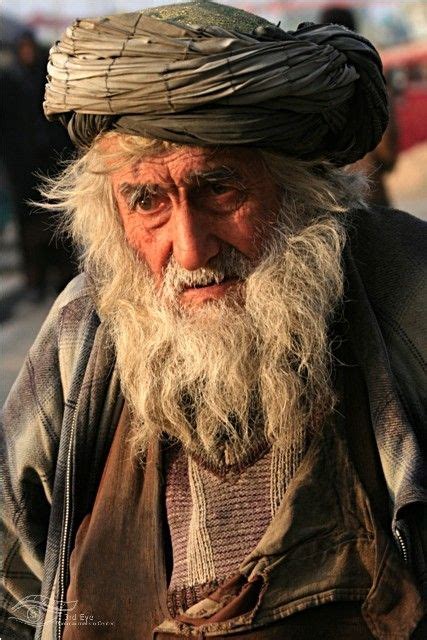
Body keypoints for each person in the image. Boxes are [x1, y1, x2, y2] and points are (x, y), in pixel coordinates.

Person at [1, 2, 425, 639]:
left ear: (299, 186)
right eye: (148, 201)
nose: (191, 249)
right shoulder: (82, 331)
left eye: (220, 189)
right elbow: (11, 579)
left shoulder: (407, 293)